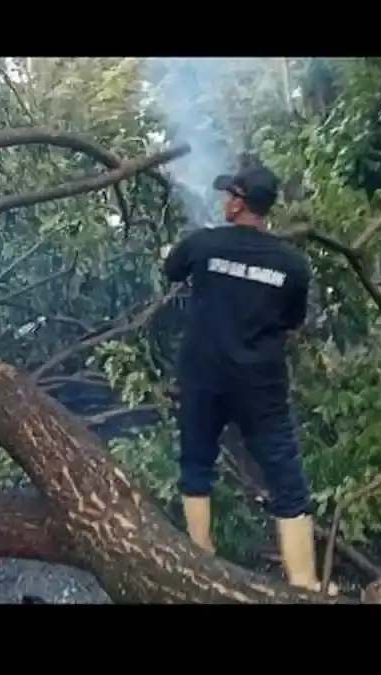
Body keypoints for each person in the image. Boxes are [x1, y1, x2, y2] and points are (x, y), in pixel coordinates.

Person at [163, 164, 331, 593]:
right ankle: (305, 583)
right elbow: (292, 324)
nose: (224, 203)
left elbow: (172, 270)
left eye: (228, 196)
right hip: (262, 386)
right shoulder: (292, 265)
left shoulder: (203, 244)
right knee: (286, 480)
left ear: (238, 203)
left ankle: (201, 557)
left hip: (204, 378)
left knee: (196, 464)